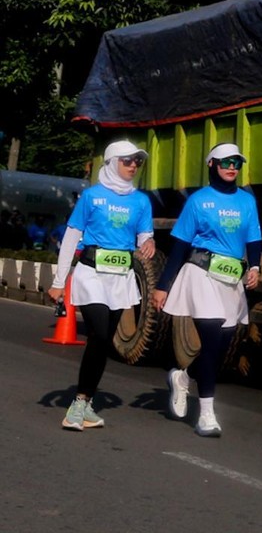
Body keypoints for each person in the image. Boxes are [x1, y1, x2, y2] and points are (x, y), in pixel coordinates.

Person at [152, 142, 262, 437]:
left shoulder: (247, 201)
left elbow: (253, 239)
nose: (231, 167)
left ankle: (183, 375)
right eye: (225, 162)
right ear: (211, 164)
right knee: (212, 341)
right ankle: (207, 414)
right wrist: (163, 286)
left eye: (237, 163)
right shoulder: (199, 201)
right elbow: (180, 246)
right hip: (201, 275)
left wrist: (254, 267)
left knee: (223, 346)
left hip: (231, 281)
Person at [47, 140, 156, 431]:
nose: (133, 166)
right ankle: (77, 405)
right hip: (91, 274)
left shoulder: (141, 201)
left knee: (104, 340)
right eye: (127, 161)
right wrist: (59, 281)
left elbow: (144, 235)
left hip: (121, 278)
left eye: (137, 162)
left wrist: (149, 243)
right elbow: (71, 237)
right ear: (110, 162)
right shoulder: (92, 197)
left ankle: (87, 402)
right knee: (98, 332)